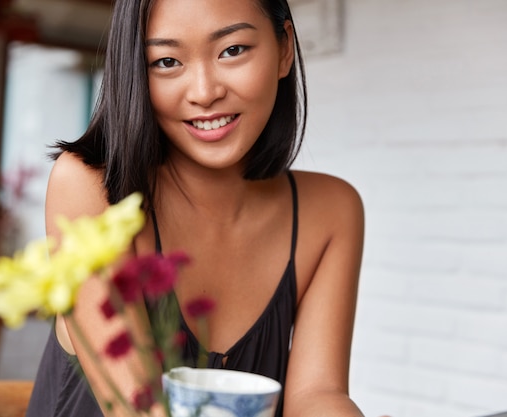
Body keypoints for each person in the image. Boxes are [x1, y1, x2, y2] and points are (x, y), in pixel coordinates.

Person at [25, 0, 365, 416]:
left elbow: (317, 394)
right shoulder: (91, 188)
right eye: (166, 61)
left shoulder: (330, 212)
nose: (205, 92)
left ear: (284, 49)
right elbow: (137, 407)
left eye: (233, 50)